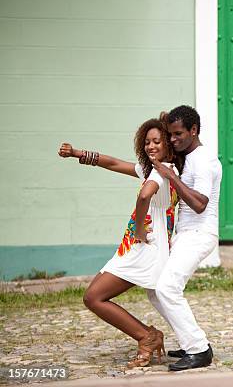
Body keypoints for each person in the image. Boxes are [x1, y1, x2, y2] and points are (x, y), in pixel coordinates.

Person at [57, 117, 181, 368]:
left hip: (145, 248)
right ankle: (183, 342)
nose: (150, 146)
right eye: (147, 142)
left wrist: (137, 229)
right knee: (163, 298)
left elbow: (146, 194)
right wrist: (78, 153)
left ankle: (148, 336)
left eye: (157, 141)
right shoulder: (153, 170)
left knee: (94, 297)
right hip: (141, 247)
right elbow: (113, 163)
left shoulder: (161, 171)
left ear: (168, 144)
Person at [147, 105, 222, 371]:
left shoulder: (203, 160)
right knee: (155, 288)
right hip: (185, 234)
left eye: (179, 134)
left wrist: (171, 177)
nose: (173, 139)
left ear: (194, 130)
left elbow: (200, 203)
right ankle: (191, 340)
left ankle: (199, 350)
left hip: (199, 234)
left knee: (167, 288)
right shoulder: (188, 156)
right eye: (171, 134)